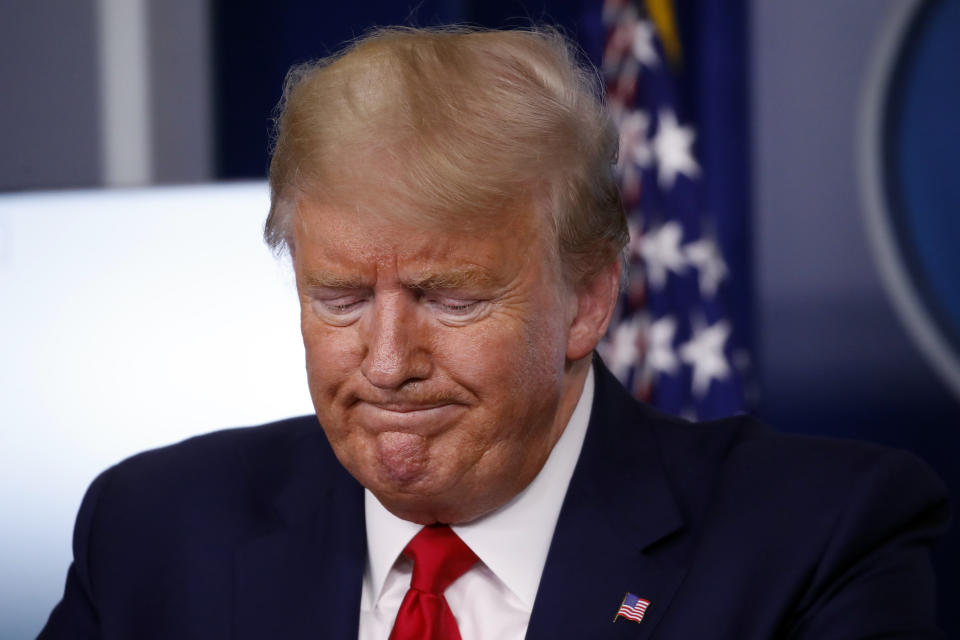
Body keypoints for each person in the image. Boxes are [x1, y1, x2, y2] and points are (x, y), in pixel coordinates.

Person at [39, 26, 948, 639]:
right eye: (341, 298)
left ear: (588, 300)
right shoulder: (153, 536)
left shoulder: (818, 546)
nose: (388, 364)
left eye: (450, 298)